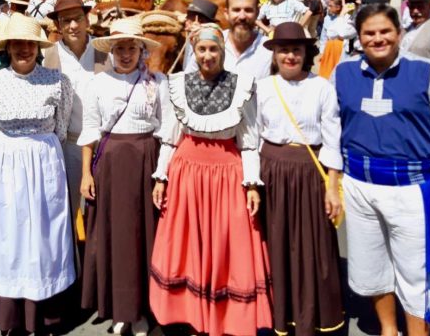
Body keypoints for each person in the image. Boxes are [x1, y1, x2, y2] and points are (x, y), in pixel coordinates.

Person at [332, 3, 430, 335]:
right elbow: (332, 127)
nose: (378, 38)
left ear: (399, 33)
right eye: (370, 33)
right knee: (371, 266)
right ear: (359, 37)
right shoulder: (344, 72)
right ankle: (388, 328)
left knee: (415, 269)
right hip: (360, 185)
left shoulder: (428, 71)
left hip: (413, 186)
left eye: (385, 31)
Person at [150, 23, 271, 336]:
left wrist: (252, 182)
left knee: (225, 245)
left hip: (227, 174)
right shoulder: (177, 84)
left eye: (213, 49)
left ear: (222, 51)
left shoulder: (242, 85)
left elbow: (248, 139)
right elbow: (170, 137)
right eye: (201, 49)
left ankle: (225, 317)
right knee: (188, 243)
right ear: (194, 51)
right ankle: (191, 313)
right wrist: (161, 177)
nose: (207, 55)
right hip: (187, 172)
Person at [0, 14, 76, 334]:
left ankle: (44, 310)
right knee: (7, 235)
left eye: (30, 43)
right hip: (4, 164)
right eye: (17, 44)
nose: (24, 49)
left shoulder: (57, 82)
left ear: (38, 47)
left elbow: (61, 128)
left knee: (43, 234)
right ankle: (10, 313)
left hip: (43, 161)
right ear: (7, 48)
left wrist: (37, 150)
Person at [78, 18, 172, 336]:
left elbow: (168, 130)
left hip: (147, 161)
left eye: (133, 47)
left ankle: (143, 309)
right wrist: (86, 175)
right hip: (111, 165)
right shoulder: (98, 83)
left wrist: (161, 175)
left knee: (145, 237)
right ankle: (120, 309)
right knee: (116, 237)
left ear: (142, 50)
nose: (127, 53)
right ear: (112, 51)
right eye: (121, 47)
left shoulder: (158, 82)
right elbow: (91, 131)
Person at [256, 23, 344, 335]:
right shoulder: (264, 87)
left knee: (312, 246)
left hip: (310, 172)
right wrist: (252, 181)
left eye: (296, 49)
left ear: (306, 52)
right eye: (283, 49)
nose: (290, 55)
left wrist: (332, 187)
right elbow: (253, 137)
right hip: (272, 171)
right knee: (276, 244)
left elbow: (333, 139)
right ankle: (279, 315)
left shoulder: (322, 87)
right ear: (274, 54)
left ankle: (314, 316)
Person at [42, 0, 111, 218]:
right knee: (67, 210)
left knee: (102, 209)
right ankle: (72, 253)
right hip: (68, 145)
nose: (73, 26)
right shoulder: (50, 55)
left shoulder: (104, 52)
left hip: (102, 145)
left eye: (77, 19)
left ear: (87, 20)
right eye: (65, 21)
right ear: (58, 26)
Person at [182, 0, 219, 73]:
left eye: (188, 16)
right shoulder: (191, 36)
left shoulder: (210, 41)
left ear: (199, 20)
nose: (185, 19)